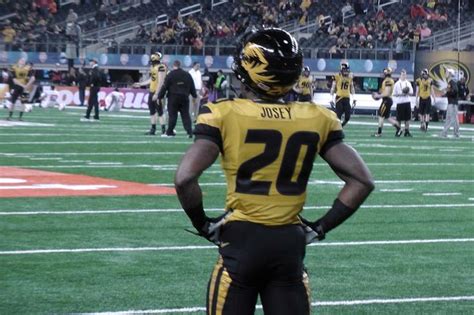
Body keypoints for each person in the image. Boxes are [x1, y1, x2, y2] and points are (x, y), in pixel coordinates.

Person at [174, 28, 374, 314]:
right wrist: (321, 226)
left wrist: (202, 224)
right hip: (289, 246)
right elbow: (362, 180)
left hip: (241, 241)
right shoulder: (317, 118)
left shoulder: (223, 113)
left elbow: (184, 178)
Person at [157, 60, 197, 138]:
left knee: (172, 116)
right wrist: (194, 96)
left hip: (173, 97)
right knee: (186, 115)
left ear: (173, 66)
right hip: (184, 97)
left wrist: (160, 97)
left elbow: (164, 87)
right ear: (180, 65)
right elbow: (192, 86)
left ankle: (169, 132)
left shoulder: (170, 74)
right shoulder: (187, 75)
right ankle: (189, 132)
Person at [133, 53, 167, 135]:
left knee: (160, 111)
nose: (152, 63)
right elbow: (151, 79)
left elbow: (161, 81)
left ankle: (164, 130)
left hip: (158, 92)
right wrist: (140, 84)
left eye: (153, 61)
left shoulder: (161, 67)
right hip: (152, 91)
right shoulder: (153, 67)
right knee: (152, 111)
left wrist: (157, 93)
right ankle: (153, 129)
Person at [372, 67, 398, 137]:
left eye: (385, 72)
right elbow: (384, 92)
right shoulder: (387, 80)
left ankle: (379, 132)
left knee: (381, 115)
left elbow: (386, 93)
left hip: (387, 100)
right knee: (387, 117)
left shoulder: (388, 81)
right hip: (387, 100)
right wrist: (379, 93)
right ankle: (398, 128)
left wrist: (378, 96)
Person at [331, 62, 355, 127]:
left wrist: (354, 98)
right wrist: (331, 98)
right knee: (338, 116)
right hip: (339, 98)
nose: (346, 71)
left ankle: (341, 126)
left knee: (347, 117)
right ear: (341, 70)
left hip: (347, 98)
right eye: (344, 70)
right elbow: (333, 88)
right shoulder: (337, 76)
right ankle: (337, 128)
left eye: (347, 70)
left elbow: (352, 87)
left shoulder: (350, 77)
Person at [392, 69, 414, 137]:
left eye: (405, 74)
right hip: (400, 102)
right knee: (399, 118)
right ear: (400, 75)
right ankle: (398, 130)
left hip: (407, 102)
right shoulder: (397, 83)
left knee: (407, 118)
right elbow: (394, 94)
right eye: (402, 74)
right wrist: (401, 94)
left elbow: (412, 92)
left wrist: (407, 93)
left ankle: (407, 131)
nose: (404, 76)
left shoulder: (408, 83)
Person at [440, 69, 460, 138]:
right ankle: (446, 133)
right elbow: (452, 91)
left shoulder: (452, 81)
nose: (446, 73)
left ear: (450, 74)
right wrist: (445, 93)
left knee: (452, 119)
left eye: (447, 72)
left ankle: (453, 132)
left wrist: (447, 92)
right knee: (449, 118)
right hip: (451, 103)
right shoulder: (450, 82)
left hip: (453, 103)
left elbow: (455, 91)